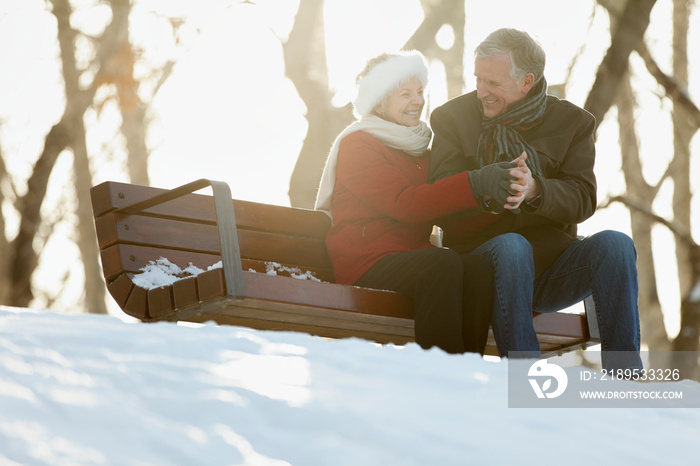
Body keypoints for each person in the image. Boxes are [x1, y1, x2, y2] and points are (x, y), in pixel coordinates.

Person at [429, 28, 642, 370]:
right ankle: (525, 376)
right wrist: (487, 191)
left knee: (616, 245)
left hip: (550, 268)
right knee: (513, 245)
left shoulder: (573, 123)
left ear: (526, 82)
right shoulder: (452, 118)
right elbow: (439, 193)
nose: (481, 91)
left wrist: (535, 189)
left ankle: (624, 379)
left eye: (493, 84)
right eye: (478, 79)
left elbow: (583, 197)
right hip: (485, 265)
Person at [315, 50, 498, 355]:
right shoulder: (358, 145)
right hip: (366, 260)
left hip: (409, 256)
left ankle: (467, 367)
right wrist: (475, 182)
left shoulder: (419, 148)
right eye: (405, 94)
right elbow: (407, 204)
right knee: (442, 262)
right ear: (380, 100)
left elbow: (445, 209)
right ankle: (441, 369)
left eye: (420, 92)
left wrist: (496, 199)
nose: (418, 101)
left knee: (477, 268)